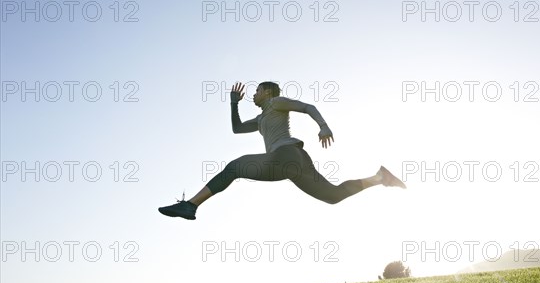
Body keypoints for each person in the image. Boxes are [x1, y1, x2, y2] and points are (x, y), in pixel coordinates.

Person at [158, 81, 406, 220]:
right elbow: (236, 129)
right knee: (332, 196)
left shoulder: (276, 103)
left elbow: (307, 106)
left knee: (234, 167)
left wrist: (324, 127)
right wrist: (233, 104)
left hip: (285, 155)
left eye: (256, 91)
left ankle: (191, 205)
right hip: (293, 162)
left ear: (267, 92)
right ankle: (380, 177)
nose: (253, 94)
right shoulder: (261, 118)